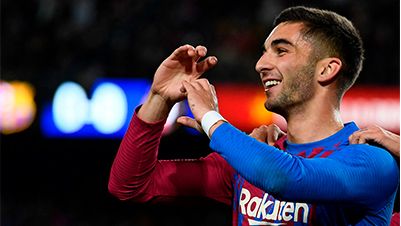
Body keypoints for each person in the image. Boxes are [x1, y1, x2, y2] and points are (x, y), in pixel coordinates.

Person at [108, 6, 399, 225]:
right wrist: (159, 98)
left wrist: (212, 120)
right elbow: (129, 186)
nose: (260, 64)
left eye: (281, 51)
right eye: (263, 52)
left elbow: (283, 178)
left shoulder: (370, 160)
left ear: (326, 69)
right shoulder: (252, 157)